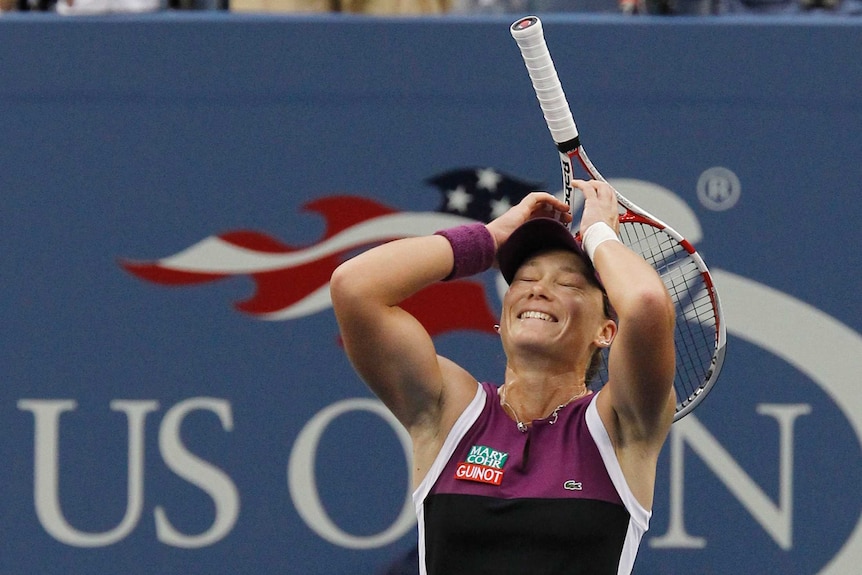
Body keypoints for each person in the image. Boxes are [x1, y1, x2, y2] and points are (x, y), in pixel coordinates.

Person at [330, 181, 676, 574]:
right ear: (502, 322)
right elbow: (354, 287)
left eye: (567, 283)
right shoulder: (451, 412)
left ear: (606, 332)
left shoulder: (620, 425)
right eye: (524, 280)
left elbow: (646, 305)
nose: (538, 291)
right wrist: (487, 239)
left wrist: (599, 235)